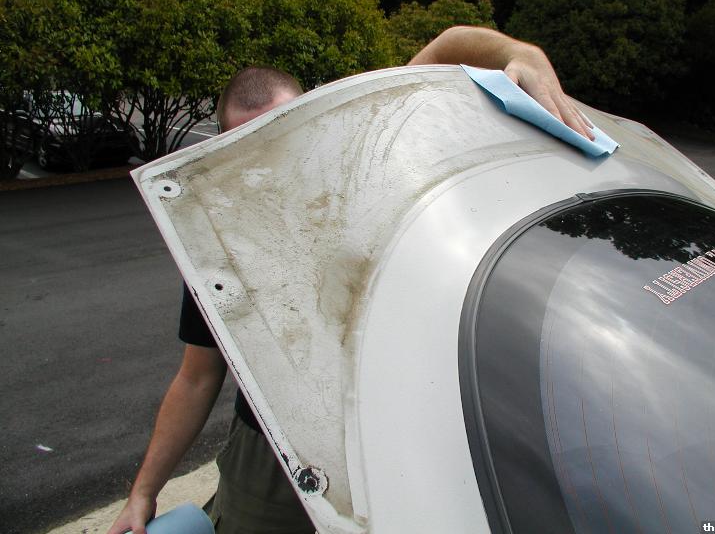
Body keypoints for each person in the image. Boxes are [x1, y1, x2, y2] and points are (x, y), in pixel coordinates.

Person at [108, 26, 593, 534]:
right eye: (247, 147)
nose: (270, 162)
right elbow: (197, 377)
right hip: (270, 461)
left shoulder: (367, 171)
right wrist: (143, 494)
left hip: (398, 447)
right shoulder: (222, 244)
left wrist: (523, 53)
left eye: (280, 137)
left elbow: (448, 44)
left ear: (311, 123)